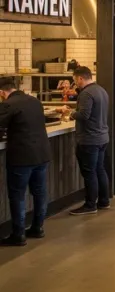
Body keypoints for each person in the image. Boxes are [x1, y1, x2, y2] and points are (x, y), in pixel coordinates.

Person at [0, 77, 51, 246]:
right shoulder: (34, 101)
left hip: (22, 157)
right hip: (41, 154)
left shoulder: (8, 104)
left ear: (2, 92)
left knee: (18, 196)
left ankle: (18, 234)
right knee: (39, 193)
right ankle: (38, 228)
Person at [64, 67, 110, 215]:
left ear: (80, 79)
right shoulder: (101, 90)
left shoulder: (86, 93)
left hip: (89, 139)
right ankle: (104, 201)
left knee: (90, 172)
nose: (75, 83)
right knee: (100, 169)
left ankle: (90, 205)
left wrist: (69, 113)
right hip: (102, 137)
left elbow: (84, 115)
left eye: (74, 80)